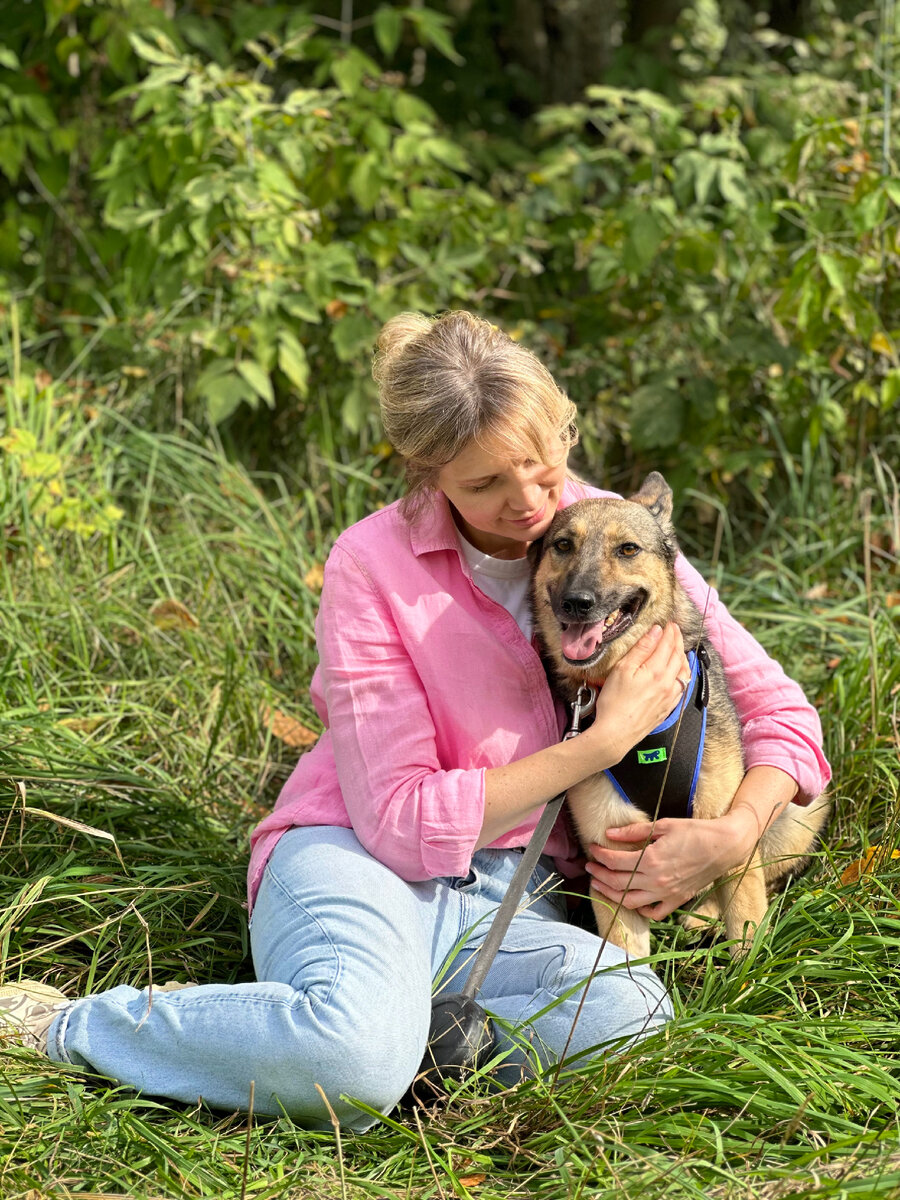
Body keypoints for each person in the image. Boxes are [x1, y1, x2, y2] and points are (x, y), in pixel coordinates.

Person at [0, 310, 831, 1130]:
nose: (530, 508)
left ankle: (304, 1028)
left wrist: (735, 833)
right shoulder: (371, 565)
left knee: (632, 1021)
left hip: (515, 897)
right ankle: (71, 1026)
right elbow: (398, 822)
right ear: (425, 471)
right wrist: (604, 743)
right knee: (355, 1060)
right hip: (360, 861)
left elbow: (780, 714)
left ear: (565, 434)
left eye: (542, 470)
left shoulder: (615, 536)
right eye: (483, 485)